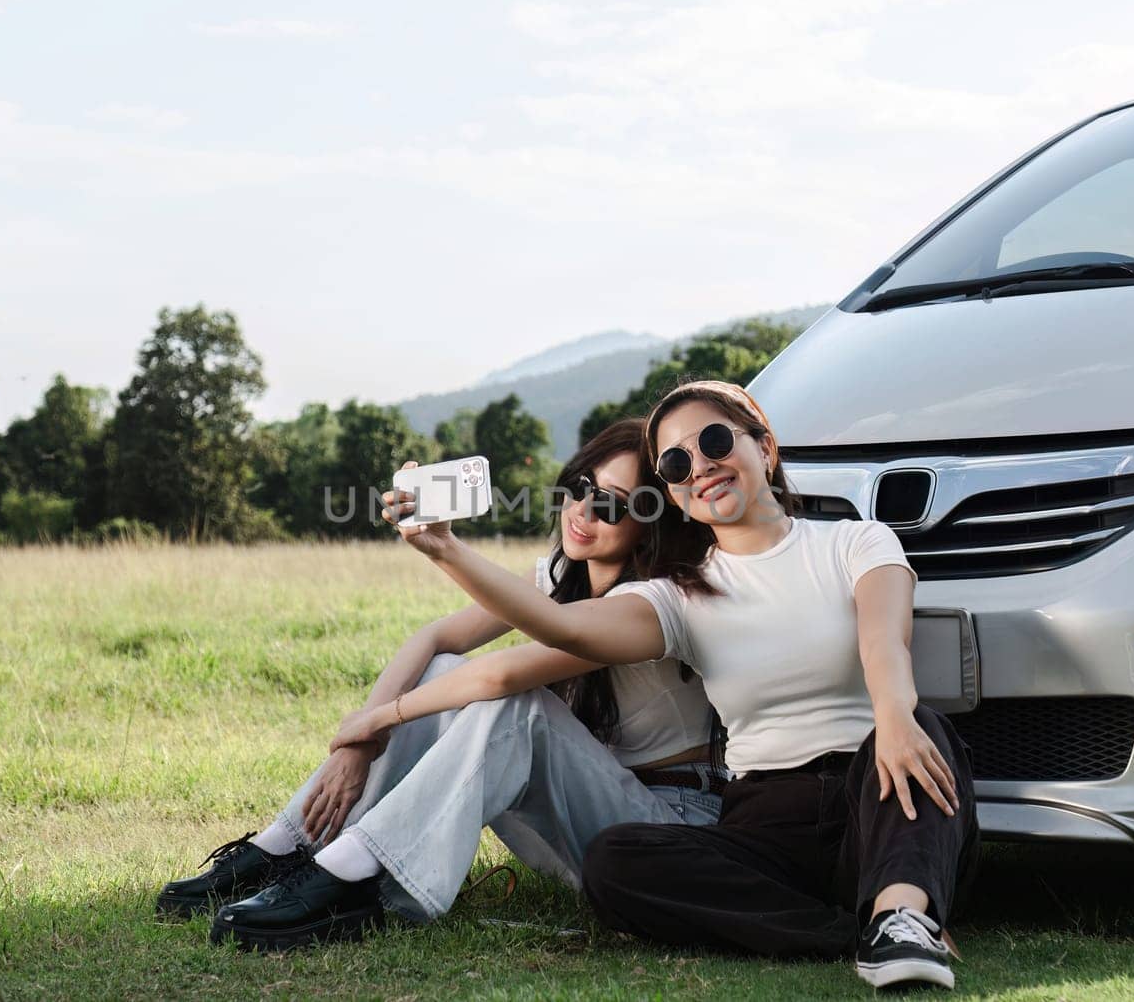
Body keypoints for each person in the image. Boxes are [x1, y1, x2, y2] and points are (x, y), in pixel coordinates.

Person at [371, 380, 979, 990]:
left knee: (923, 729)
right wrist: (444, 549)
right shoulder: (680, 595)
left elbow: (883, 642)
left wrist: (894, 715)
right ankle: (853, 931)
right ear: (674, 495)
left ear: (764, 448)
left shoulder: (854, 540)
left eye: (715, 440)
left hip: (877, 785)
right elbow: (559, 627)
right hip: (764, 824)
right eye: (676, 462)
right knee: (615, 862)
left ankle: (901, 917)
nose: (702, 466)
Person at [156, 418, 728, 952]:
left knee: (514, 708)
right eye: (581, 486)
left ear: (653, 521)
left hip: (662, 835)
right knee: (444, 675)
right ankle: (288, 846)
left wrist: (378, 719)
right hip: (586, 819)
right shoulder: (559, 579)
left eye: (611, 504)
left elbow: (501, 675)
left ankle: (355, 877)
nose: (584, 509)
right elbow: (433, 641)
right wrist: (356, 748)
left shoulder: (650, 605)